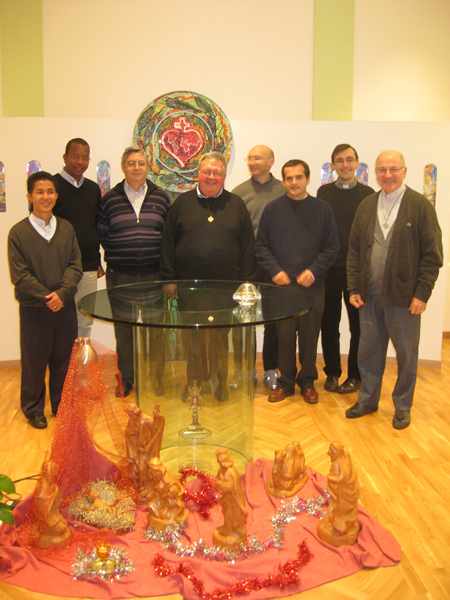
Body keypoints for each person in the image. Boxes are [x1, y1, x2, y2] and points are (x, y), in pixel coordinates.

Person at [346, 150, 443, 429]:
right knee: (368, 352)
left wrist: (422, 294)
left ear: (404, 171)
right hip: (369, 297)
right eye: (382, 170)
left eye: (393, 169)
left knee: (406, 355)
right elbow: (354, 251)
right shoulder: (366, 205)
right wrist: (354, 287)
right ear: (376, 172)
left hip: (404, 300)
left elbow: (432, 256)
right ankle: (368, 400)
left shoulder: (420, 206)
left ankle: (402, 406)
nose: (387, 175)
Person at [160, 152, 255, 401]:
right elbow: (167, 242)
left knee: (220, 339)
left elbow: (248, 247)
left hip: (225, 288)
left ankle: (220, 382)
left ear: (224, 176)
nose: (212, 176)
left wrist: (246, 283)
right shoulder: (181, 204)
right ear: (198, 173)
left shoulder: (236, 204)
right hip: (189, 287)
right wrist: (169, 278)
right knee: (192, 339)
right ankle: (195, 382)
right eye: (207, 172)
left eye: (217, 172)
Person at [256, 159, 339, 404]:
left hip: (311, 287)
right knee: (283, 338)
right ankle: (286, 383)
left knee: (309, 338)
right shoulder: (272, 209)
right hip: (281, 288)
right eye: (289, 178)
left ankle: (308, 382)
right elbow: (261, 246)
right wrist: (274, 271)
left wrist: (314, 271)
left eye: (298, 177)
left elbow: (332, 247)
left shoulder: (323, 210)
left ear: (307, 179)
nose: (294, 182)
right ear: (283, 181)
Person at [8, 171, 82, 428]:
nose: (45, 196)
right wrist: (47, 296)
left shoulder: (66, 229)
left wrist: (62, 294)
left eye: (50, 192)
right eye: (39, 192)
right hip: (34, 309)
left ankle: (62, 405)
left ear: (56, 196)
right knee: (34, 361)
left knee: (64, 359)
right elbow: (20, 275)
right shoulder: (18, 233)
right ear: (30, 197)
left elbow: (75, 265)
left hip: (64, 306)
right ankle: (33, 409)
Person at [98, 147, 171, 396]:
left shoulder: (161, 197)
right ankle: (127, 379)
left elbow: (168, 236)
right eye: (131, 163)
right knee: (124, 331)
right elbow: (102, 234)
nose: (136, 167)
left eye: (141, 163)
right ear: (124, 167)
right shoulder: (110, 199)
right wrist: (122, 252)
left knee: (156, 331)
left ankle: (157, 379)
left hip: (154, 275)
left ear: (147, 167)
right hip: (121, 276)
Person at [317, 144, 374, 394]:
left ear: (357, 163)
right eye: (339, 160)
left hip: (357, 271)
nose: (345, 165)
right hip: (329, 269)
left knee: (357, 326)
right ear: (333, 165)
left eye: (349, 160)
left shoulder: (368, 194)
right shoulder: (324, 193)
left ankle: (355, 375)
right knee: (329, 323)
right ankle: (332, 373)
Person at [232, 145, 285, 389]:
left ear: (271, 161)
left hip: (275, 264)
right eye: (250, 158)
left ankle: (272, 369)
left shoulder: (283, 190)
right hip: (247, 264)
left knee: (274, 319)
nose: (253, 162)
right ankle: (246, 370)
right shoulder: (239, 193)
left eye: (258, 158)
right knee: (245, 319)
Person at [53, 138, 103, 338]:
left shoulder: (93, 189)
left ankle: (81, 358)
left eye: (85, 157)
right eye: (75, 156)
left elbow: (95, 226)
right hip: (60, 266)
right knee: (61, 318)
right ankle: (62, 359)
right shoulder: (52, 186)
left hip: (88, 265)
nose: (80, 162)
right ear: (65, 157)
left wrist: (97, 261)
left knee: (85, 318)